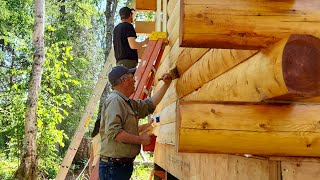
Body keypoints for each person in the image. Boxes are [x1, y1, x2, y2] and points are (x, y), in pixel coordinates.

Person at [99, 66, 172, 180]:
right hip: (114, 167)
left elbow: (148, 105)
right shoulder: (115, 101)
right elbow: (115, 133)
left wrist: (166, 84)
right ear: (124, 81)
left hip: (120, 166)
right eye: (131, 77)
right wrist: (140, 140)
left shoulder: (127, 102)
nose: (134, 80)